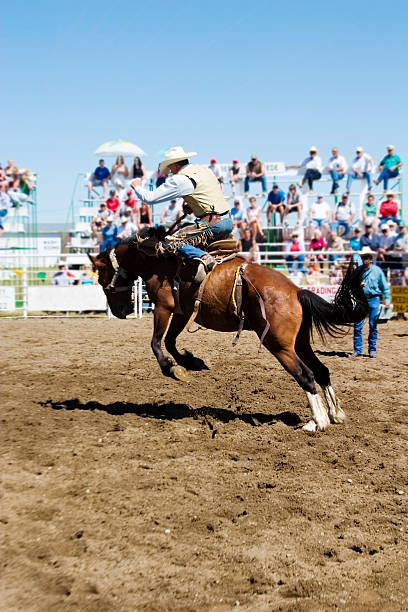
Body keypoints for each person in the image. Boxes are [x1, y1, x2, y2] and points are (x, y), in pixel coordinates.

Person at [130, 146, 232, 282]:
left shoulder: (181, 180)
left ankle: (204, 258)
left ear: (175, 164)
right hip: (227, 219)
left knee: (172, 241)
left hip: (213, 224)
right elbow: (212, 191)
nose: (171, 172)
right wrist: (194, 205)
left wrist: (137, 186)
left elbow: (150, 198)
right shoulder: (203, 170)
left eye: (170, 168)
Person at [352, 246, 391, 358]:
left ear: (370, 259)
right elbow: (352, 286)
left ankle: (372, 350)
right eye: (363, 257)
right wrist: (357, 286)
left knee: (373, 325)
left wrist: (387, 299)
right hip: (361, 298)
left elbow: (385, 287)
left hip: (374, 298)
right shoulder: (358, 271)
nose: (365, 260)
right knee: (358, 325)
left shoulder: (377, 271)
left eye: (366, 257)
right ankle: (358, 350)